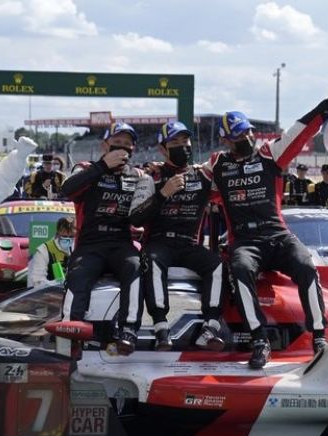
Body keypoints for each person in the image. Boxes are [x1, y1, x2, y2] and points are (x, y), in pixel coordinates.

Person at [202, 85, 328, 369]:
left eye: (248, 131)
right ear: (225, 140)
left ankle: (319, 335)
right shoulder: (217, 165)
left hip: (278, 234)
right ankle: (259, 340)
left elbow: (304, 128)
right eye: (239, 135)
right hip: (245, 241)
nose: (246, 137)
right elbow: (189, 183)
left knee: (306, 265)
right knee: (240, 269)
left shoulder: (270, 154)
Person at [129, 121, 224, 351]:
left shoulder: (203, 175)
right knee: (151, 259)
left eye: (185, 141)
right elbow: (136, 218)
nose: (182, 146)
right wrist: (163, 193)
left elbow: (227, 195)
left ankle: (210, 327)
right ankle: (161, 327)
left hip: (189, 244)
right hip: (160, 242)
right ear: (163, 149)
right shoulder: (152, 175)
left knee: (217, 265)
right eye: (175, 142)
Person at [60, 122, 144, 356]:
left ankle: (128, 331)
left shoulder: (139, 176)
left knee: (136, 266)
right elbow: (66, 190)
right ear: (104, 145)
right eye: (117, 143)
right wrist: (102, 166)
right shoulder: (85, 168)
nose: (122, 148)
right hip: (90, 244)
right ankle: (72, 332)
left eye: (128, 145)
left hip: (121, 243)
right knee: (78, 274)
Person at [27, 217, 76, 288]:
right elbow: (37, 282)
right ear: (58, 233)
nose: (68, 239)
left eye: (71, 236)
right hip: (49, 294)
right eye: (64, 236)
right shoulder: (44, 250)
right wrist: (55, 283)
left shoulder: (77, 248)